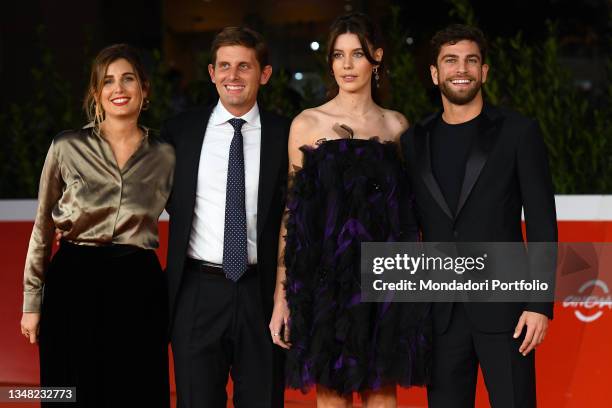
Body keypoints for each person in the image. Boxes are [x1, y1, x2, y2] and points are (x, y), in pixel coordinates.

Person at [272, 13, 431, 407]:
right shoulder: (307, 124)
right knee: (332, 398)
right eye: (338, 55)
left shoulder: (397, 126)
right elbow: (294, 215)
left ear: (376, 57)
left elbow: (408, 215)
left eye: (357, 54)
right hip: (324, 281)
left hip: (384, 281)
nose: (346, 64)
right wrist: (282, 297)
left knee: (382, 396)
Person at [400, 24, 558, 407]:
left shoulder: (518, 132)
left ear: (484, 71)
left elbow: (541, 221)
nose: (462, 69)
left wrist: (539, 305)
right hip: (441, 313)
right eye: (450, 61)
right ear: (435, 74)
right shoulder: (414, 141)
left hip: (506, 310)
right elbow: (408, 225)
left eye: (471, 60)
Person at [19, 44, 174, 407]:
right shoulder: (66, 146)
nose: (118, 89)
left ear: (144, 89)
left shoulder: (166, 155)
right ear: (95, 93)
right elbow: (42, 226)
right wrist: (32, 301)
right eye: (107, 81)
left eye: (127, 79)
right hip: (74, 282)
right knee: (68, 393)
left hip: (138, 287)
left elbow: (189, 222)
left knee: (136, 392)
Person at [162, 27, 289, 408]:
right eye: (225, 66)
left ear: (264, 74)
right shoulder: (179, 133)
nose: (233, 76)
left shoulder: (286, 133)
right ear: (211, 72)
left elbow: (295, 217)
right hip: (197, 291)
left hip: (261, 292)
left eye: (244, 67)